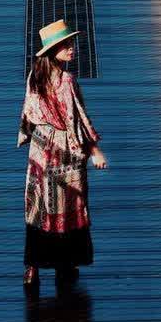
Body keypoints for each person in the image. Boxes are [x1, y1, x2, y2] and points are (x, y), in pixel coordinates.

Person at [18, 18, 108, 289]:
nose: (72, 49)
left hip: (40, 148)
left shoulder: (35, 76)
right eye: (66, 45)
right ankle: (64, 266)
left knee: (39, 207)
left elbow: (27, 116)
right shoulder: (66, 80)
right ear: (53, 50)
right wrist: (95, 151)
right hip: (64, 152)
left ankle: (32, 267)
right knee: (69, 209)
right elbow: (77, 119)